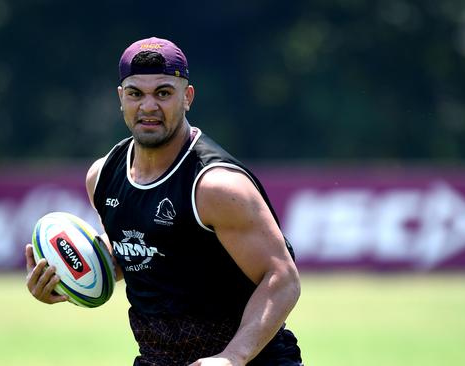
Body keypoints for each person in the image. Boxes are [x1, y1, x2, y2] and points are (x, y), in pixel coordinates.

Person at [25, 37, 302, 365]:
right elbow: (139, 251)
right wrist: (65, 277)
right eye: (135, 94)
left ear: (187, 97)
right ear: (121, 98)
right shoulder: (103, 176)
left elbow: (282, 278)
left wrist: (232, 357)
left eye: (163, 93)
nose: (148, 106)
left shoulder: (216, 187)